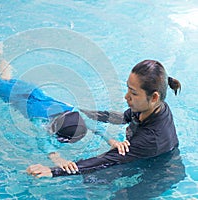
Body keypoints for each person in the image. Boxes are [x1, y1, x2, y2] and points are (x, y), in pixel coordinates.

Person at [27, 59, 182, 177]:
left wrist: (52, 171)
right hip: (141, 156)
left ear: (154, 97)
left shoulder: (151, 138)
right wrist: (80, 111)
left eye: (133, 93)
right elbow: (120, 117)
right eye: (128, 89)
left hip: (157, 173)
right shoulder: (148, 108)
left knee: (97, 185)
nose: (126, 96)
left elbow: (106, 160)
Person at [0, 40, 88, 169]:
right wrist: (56, 158)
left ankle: (0, 54)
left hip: (33, 91)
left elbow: (91, 120)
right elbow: (42, 141)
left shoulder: (70, 109)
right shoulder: (39, 119)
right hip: (15, 96)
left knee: (7, 80)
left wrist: (110, 140)